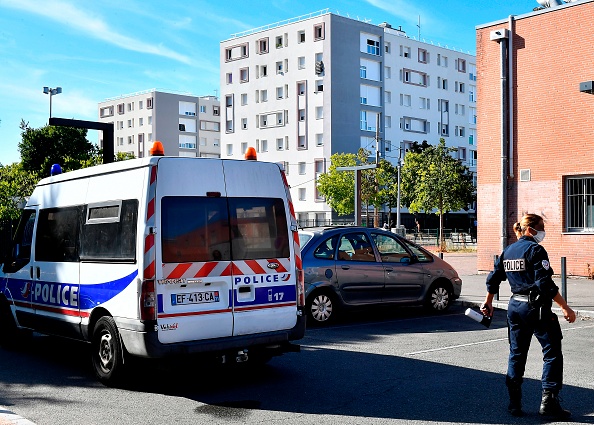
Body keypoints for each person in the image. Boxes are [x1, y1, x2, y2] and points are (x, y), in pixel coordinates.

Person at [481, 214, 576, 418]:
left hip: (515, 307)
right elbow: (544, 284)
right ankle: (549, 402)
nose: (543, 232)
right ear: (531, 229)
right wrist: (565, 307)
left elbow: (494, 278)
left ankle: (514, 403)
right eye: (541, 228)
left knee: (517, 353)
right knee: (552, 352)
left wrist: (488, 301)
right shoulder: (535, 249)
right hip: (536, 307)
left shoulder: (508, 250)